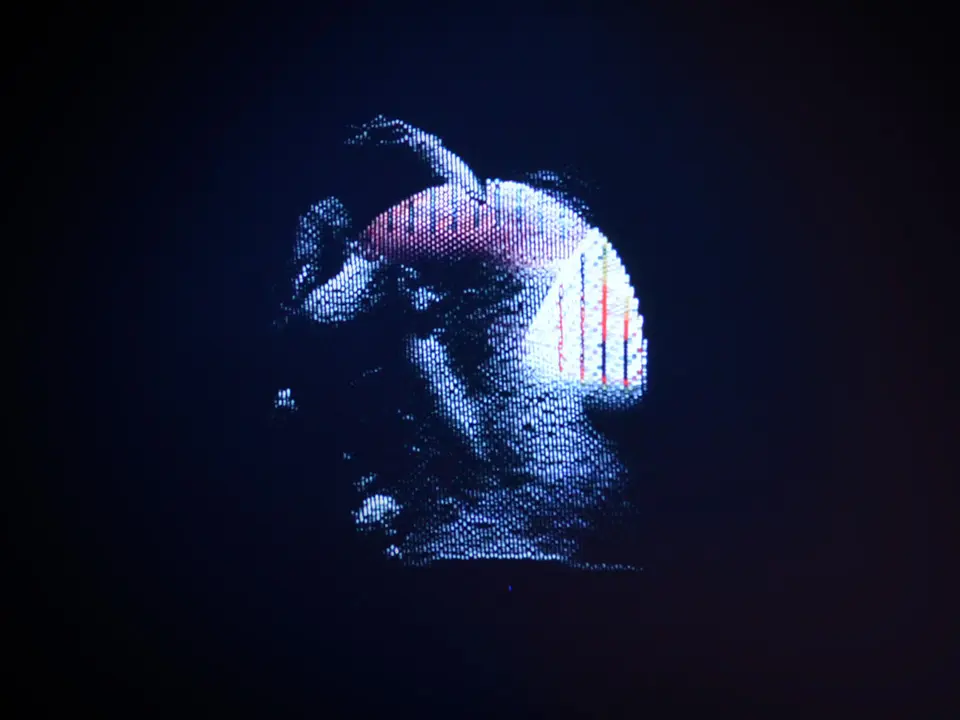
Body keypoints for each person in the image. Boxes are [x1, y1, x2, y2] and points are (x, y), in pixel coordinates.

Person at [275, 116, 648, 568]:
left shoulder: (450, 229)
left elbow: (324, 314)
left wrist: (423, 152)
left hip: (486, 523)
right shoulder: (571, 245)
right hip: (572, 520)